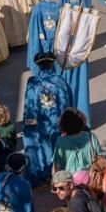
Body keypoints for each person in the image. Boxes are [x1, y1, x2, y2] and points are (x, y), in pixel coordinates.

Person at [22, 52, 72, 186]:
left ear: (38, 65)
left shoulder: (32, 82)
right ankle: (61, 174)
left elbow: (29, 104)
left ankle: (46, 174)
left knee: (44, 147)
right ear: (52, 64)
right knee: (60, 148)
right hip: (58, 122)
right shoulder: (60, 80)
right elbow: (68, 101)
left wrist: (29, 124)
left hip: (41, 122)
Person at [52, 108, 102, 175]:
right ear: (81, 121)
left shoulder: (61, 141)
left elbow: (56, 166)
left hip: (70, 182)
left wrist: (55, 181)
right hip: (91, 179)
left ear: (63, 124)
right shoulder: (91, 137)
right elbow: (101, 159)